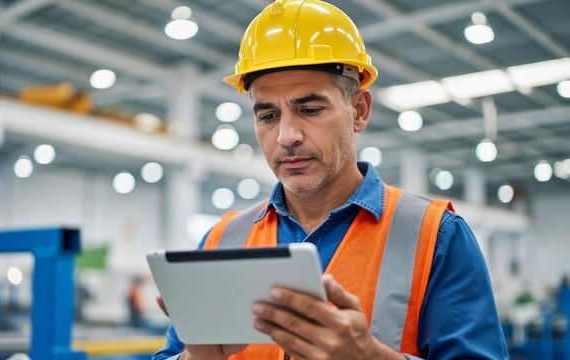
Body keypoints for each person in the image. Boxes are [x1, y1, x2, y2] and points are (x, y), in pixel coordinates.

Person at [154, 0, 508, 359]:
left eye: (309, 110)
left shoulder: (435, 236)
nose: (286, 135)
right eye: (268, 115)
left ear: (359, 111)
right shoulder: (220, 241)